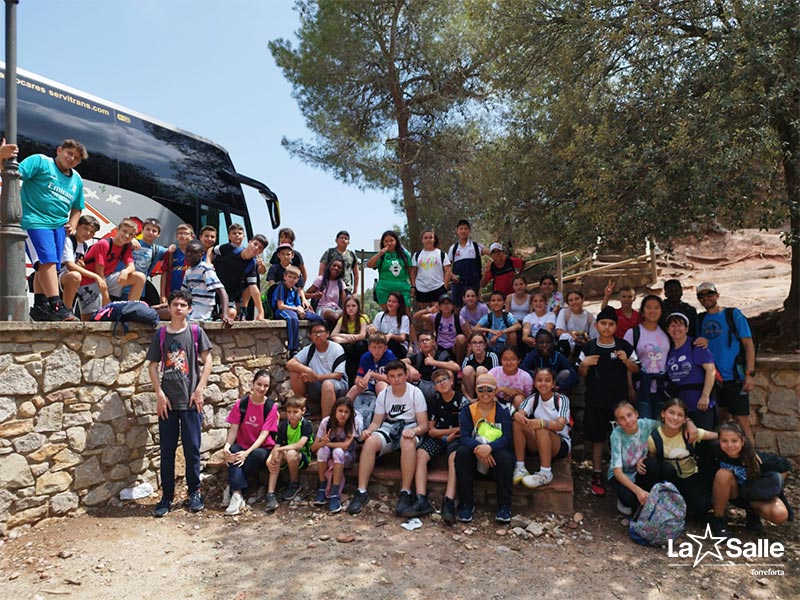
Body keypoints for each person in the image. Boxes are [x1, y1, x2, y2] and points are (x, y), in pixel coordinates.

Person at [146, 290, 213, 517]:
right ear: (170, 307)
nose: (179, 308)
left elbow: (208, 359)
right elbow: (152, 365)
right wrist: (159, 393)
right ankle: (167, 496)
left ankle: (194, 492)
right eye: (175, 304)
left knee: (192, 449)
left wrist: (200, 389)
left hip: (191, 401)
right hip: (168, 403)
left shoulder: (196, 332)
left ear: (189, 308)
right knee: (166, 451)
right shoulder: (162, 334)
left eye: (183, 305)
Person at [347, 360, 428, 516]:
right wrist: (368, 431)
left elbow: (424, 425)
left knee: (407, 441)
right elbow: (377, 422)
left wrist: (415, 431)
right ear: (387, 378)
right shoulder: (384, 394)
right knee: (370, 442)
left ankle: (405, 492)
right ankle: (361, 491)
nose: (396, 379)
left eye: (400, 375)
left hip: (410, 426)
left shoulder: (415, 393)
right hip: (390, 426)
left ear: (406, 375)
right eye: (392, 376)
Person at [22, 139, 87, 322]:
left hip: (59, 226)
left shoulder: (76, 179)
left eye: (76, 158)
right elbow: (14, 174)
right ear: (59, 150)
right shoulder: (41, 161)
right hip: (34, 220)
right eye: (69, 154)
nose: (72, 159)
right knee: (47, 261)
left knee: (49, 266)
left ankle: (40, 306)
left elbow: (77, 207)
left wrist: (73, 224)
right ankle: (57, 306)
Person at [577, 306, 639, 498]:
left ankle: (621, 475)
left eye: (611, 324)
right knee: (597, 439)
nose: (606, 327)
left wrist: (626, 361)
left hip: (618, 403)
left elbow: (636, 369)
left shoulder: (624, 346)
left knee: (620, 439)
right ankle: (597, 473)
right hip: (596, 400)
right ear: (596, 325)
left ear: (615, 326)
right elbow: (581, 373)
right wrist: (584, 365)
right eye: (603, 323)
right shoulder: (589, 347)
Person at [403, 369, 468, 521]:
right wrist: (446, 434)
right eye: (438, 382)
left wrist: (448, 433)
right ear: (435, 386)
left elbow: (464, 428)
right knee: (421, 454)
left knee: (454, 457)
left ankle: (449, 501)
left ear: (452, 382)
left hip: (457, 438)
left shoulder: (461, 400)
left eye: (445, 379)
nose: (442, 383)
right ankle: (421, 498)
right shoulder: (434, 400)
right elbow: (431, 431)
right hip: (441, 438)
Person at [696, 282, 757, 441]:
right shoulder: (700, 319)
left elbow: (748, 344)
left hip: (735, 377)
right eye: (701, 296)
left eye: (709, 294)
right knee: (721, 422)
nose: (706, 298)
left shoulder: (733, 315)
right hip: (714, 380)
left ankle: (752, 461)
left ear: (717, 295)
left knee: (742, 422)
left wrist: (750, 374)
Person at [709, 421, 792, 537]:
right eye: (724, 441)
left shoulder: (756, 458)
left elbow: (786, 466)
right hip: (733, 493)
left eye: (734, 441)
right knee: (723, 474)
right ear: (719, 441)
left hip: (752, 496)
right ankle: (718, 519)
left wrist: (773, 487)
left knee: (780, 514)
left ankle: (753, 513)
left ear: (742, 441)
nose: (729, 445)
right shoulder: (715, 451)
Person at [454, 373, 514, 524]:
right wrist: (480, 448)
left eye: (489, 389)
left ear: (495, 391)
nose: (485, 393)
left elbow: (507, 437)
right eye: (481, 390)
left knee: (505, 457)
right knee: (461, 454)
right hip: (475, 455)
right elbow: (465, 436)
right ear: (475, 390)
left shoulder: (502, 410)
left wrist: (490, 448)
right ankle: (466, 503)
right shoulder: (468, 410)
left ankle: (504, 505)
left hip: (494, 458)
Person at [646, 398, 717, 518]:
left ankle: (687, 504)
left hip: (690, 476)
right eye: (671, 412)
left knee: (703, 506)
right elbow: (652, 463)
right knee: (663, 467)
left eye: (680, 415)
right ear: (663, 414)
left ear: (685, 419)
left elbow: (719, 436)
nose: (674, 418)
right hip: (669, 479)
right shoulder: (654, 438)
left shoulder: (690, 433)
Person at [222, 369, 279, 516]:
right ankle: (237, 494)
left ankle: (232, 487)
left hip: (261, 448)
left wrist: (246, 453)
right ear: (252, 384)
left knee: (256, 455)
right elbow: (233, 430)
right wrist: (226, 447)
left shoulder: (270, 407)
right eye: (259, 384)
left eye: (265, 386)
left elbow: (264, 435)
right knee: (233, 452)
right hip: (242, 445)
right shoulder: (241, 404)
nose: (261, 388)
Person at [511, 368, 572, 488]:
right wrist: (517, 415)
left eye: (547, 380)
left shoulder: (561, 399)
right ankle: (520, 467)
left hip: (560, 443)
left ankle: (545, 473)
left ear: (553, 383)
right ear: (534, 383)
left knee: (542, 427)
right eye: (539, 380)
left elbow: (560, 425)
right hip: (538, 441)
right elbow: (521, 413)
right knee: (517, 423)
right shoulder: (533, 398)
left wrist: (542, 423)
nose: (543, 384)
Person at [76, 218, 146, 320]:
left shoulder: (125, 247)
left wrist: (125, 271)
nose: (127, 236)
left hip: (106, 278)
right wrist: (106, 298)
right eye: (125, 231)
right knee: (89, 318)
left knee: (139, 277)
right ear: (117, 230)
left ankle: (130, 310)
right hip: (89, 280)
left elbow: (132, 266)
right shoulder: (104, 244)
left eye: (131, 234)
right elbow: (99, 273)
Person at [607, 401, 663, 516]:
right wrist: (638, 491)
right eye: (622, 418)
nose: (628, 421)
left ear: (636, 414)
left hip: (639, 470)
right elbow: (617, 472)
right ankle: (628, 499)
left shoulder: (646, 424)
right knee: (628, 498)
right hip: (621, 474)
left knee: (652, 465)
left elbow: (669, 425)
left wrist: (688, 423)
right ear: (617, 422)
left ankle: (644, 499)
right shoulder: (616, 435)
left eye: (629, 415)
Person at [665, 312, 717, 430]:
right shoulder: (669, 350)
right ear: (668, 329)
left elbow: (711, 371)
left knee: (704, 442)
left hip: (700, 403)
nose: (676, 329)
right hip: (681, 408)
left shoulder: (696, 346)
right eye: (672, 326)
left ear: (687, 328)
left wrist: (705, 396)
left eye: (680, 325)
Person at [286, 321, 348, 417]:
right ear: (310, 336)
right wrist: (308, 371)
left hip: (337, 385)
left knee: (327, 384)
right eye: (314, 333)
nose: (318, 335)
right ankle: (304, 406)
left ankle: (326, 422)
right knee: (296, 373)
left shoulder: (336, 348)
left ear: (327, 334)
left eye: (321, 332)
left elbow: (338, 375)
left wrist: (316, 377)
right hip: (316, 384)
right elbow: (290, 364)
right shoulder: (309, 349)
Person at [311, 396, 362, 513]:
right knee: (322, 450)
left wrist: (327, 444)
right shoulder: (326, 422)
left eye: (346, 412)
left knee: (338, 451)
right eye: (340, 411)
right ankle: (322, 487)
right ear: (335, 411)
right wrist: (322, 443)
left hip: (347, 456)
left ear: (350, 414)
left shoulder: (353, 424)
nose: (343, 415)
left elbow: (345, 446)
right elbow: (313, 448)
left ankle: (335, 492)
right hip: (329, 456)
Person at [624, 295, 670, 419]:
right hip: (641, 388)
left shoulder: (667, 333)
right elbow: (626, 362)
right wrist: (630, 388)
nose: (652, 311)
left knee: (661, 427)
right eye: (648, 307)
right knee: (644, 427)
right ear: (642, 310)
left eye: (656, 308)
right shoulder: (633, 333)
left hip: (663, 389)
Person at [264, 397, 314, 512]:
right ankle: (270, 493)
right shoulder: (284, 425)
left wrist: (280, 449)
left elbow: (300, 445)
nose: (292, 415)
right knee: (275, 458)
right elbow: (278, 444)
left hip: (302, 456)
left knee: (291, 453)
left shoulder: (306, 425)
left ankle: (294, 483)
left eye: (295, 412)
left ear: (303, 411)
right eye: (289, 412)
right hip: (286, 454)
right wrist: (272, 456)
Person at [272, 265, 324, 356]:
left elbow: (298, 304)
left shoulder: (295, 290)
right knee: (293, 319)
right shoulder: (281, 287)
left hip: (294, 310)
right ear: (285, 276)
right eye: (289, 277)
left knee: (317, 318)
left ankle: (319, 340)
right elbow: (280, 306)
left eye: (294, 278)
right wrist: (296, 309)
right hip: (283, 310)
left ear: (297, 279)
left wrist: (301, 311)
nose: (292, 280)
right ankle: (293, 348)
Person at [214, 234, 268, 321]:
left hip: (227, 292)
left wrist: (261, 312)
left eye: (260, 248)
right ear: (249, 242)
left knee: (231, 314)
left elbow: (254, 288)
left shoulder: (252, 264)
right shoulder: (231, 248)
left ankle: (239, 311)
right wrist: (209, 263)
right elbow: (211, 250)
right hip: (212, 286)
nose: (256, 248)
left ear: (260, 252)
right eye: (255, 244)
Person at [346, 332, 396, 423]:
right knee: (354, 388)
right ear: (369, 348)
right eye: (374, 347)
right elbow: (358, 378)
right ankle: (343, 409)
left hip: (387, 386)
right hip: (369, 385)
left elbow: (392, 378)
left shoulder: (390, 356)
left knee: (380, 385)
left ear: (385, 348)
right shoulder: (365, 357)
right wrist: (360, 383)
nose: (377, 350)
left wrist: (372, 374)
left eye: (380, 347)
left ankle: (385, 416)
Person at [180, 239, 232, 324]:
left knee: (159, 314)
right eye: (187, 252)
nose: (189, 255)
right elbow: (183, 295)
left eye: (194, 252)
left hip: (200, 311)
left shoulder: (205, 269)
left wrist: (225, 315)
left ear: (202, 254)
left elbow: (222, 291)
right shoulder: (188, 271)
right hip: (189, 308)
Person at [404, 331, 460, 406]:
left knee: (448, 373)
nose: (425, 342)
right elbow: (400, 362)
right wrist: (411, 368)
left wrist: (434, 362)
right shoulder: (418, 357)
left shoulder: (442, 355)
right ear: (419, 345)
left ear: (433, 342)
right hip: (422, 387)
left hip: (438, 387)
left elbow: (456, 367)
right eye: (422, 341)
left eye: (427, 340)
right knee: (406, 372)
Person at [58, 214, 100, 310]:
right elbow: (70, 265)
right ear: (77, 226)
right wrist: (95, 276)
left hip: (70, 279)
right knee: (75, 276)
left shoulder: (84, 246)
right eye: (85, 228)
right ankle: (67, 310)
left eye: (92, 232)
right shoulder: (68, 240)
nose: (88, 233)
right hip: (58, 275)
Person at [128, 217, 172, 305]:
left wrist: (173, 246)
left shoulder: (157, 250)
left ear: (158, 234)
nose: (150, 232)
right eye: (148, 229)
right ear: (142, 230)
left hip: (139, 289)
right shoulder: (130, 243)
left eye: (154, 231)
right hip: (121, 287)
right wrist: (130, 239)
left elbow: (171, 252)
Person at [413, 293, 467, 363]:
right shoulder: (436, 317)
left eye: (448, 303)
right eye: (443, 304)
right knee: (428, 340)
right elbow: (416, 316)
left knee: (461, 337)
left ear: (453, 306)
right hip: (439, 345)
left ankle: (459, 364)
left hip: (454, 347)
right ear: (440, 306)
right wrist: (428, 310)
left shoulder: (458, 318)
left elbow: (468, 334)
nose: (446, 306)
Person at [520, 329, 577, 393]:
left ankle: (560, 398)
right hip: (538, 386)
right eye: (541, 343)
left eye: (548, 342)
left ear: (552, 343)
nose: (544, 345)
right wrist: (535, 375)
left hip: (555, 386)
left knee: (566, 373)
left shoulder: (558, 356)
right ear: (536, 344)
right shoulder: (533, 355)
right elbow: (522, 369)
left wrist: (561, 386)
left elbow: (573, 373)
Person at [367, 230, 413, 309]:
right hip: (384, 289)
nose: (389, 243)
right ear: (383, 243)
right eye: (386, 241)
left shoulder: (404, 254)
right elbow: (369, 264)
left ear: (396, 241)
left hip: (402, 288)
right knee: (388, 315)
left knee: (406, 314)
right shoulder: (382, 255)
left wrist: (413, 286)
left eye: (391, 240)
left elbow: (410, 271)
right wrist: (380, 253)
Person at [330, 295, 370, 385]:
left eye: (353, 306)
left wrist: (344, 339)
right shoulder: (342, 319)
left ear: (358, 307)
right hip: (348, 345)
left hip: (357, 347)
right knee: (335, 343)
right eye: (348, 306)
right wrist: (346, 336)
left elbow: (362, 335)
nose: (351, 308)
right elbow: (333, 334)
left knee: (360, 344)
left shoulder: (362, 318)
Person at [447, 219, 488, 307]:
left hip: (474, 284)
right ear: (457, 231)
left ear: (469, 231)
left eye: (465, 229)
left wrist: (489, 267)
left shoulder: (476, 246)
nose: (463, 231)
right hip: (458, 285)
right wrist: (452, 275)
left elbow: (491, 253)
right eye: (461, 229)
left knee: (477, 307)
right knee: (457, 308)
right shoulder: (453, 248)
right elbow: (447, 267)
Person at [411, 228, 451, 313]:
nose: (428, 240)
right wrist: (414, 286)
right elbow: (413, 271)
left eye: (430, 237)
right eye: (426, 238)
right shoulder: (417, 255)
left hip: (438, 287)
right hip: (422, 288)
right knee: (426, 315)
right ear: (422, 240)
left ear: (434, 239)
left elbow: (448, 270)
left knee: (437, 315)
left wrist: (445, 286)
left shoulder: (441, 254)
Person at [367, 291, 410, 359]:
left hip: (398, 346)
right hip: (380, 343)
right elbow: (374, 334)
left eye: (394, 302)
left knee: (391, 343)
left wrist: (391, 336)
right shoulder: (380, 315)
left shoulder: (404, 318)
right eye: (389, 301)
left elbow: (402, 338)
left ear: (399, 304)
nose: (390, 304)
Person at [306, 257, 346, 328]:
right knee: (334, 316)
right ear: (329, 266)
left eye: (339, 267)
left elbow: (345, 302)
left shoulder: (341, 283)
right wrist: (314, 295)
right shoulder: (320, 280)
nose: (336, 268)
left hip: (336, 308)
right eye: (334, 265)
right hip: (323, 308)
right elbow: (305, 295)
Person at [555, 289, 595, 357]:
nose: (574, 302)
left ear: (582, 299)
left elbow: (593, 338)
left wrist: (583, 339)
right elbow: (558, 332)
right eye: (571, 300)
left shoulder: (590, 317)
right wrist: (575, 335)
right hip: (568, 344)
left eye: (577, 299)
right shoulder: (564, 313)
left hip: (583, 344)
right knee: (564, 337)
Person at [319, 230, 359, 295]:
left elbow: (356, 274)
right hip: (329, 288)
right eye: (341, 238)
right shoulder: (329, 252)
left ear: (348, 242)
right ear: (336, 240)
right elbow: (322, 269)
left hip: (346, 288)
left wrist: (355, 291)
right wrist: (321, 284)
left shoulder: (351, 255)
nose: (343, 240)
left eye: (346, 238)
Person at [461, 332, 499, 399]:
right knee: (467, 370)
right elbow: (463, 384)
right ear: (470, 346)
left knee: (480, 369)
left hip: (489, 390)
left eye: (480, 342)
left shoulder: (492, 356)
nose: (478, 345)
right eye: (474, 343)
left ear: (485, 345)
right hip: (472, 391)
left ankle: (481, 398)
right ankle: (472, 401)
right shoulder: (468, 359)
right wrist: (469, 399)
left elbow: (497, 377)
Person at [162, 223, 194, 299]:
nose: (183, 236)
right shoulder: (170, 253)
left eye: (186, 233)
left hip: (191, 294)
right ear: (176, 236)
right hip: (172, 293)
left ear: (192, 236)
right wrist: (162, 295)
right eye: (180, 233)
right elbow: (164, 274)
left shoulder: (196, 253)